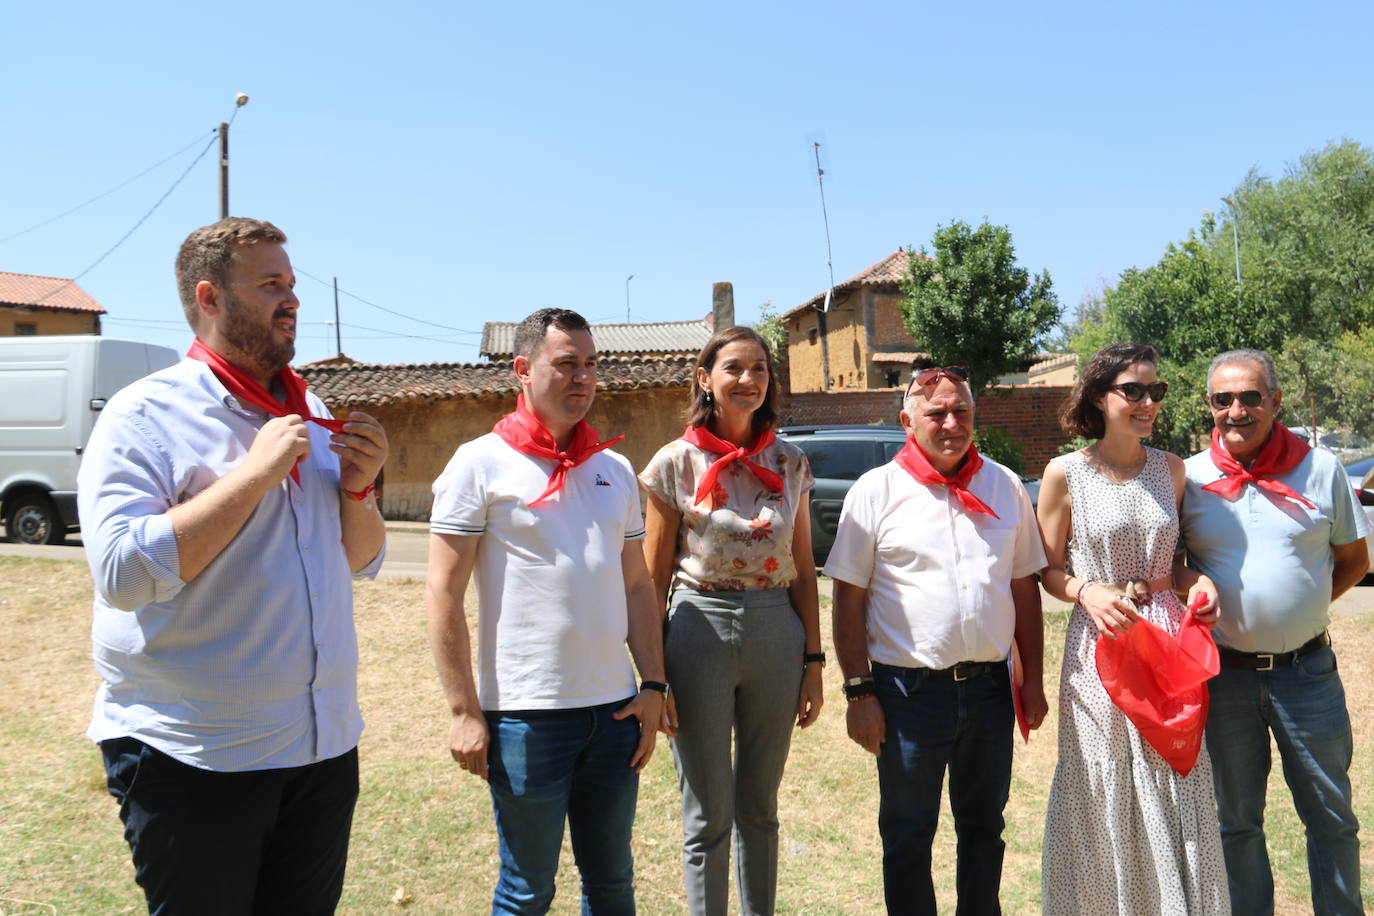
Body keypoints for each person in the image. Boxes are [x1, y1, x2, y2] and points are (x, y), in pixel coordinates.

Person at [78, 217, 389, 914]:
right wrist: (250, 478)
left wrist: (362, 492)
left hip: (319, 749)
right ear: (211, 298)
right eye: (271, 284)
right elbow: (123, 576)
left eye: (293, 284)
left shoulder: (312, 408)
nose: (293, 300)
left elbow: (359, 562)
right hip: (195, 756)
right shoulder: (142, 415)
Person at [426, 307, 666, 915]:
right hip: (527, 718)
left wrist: (655, 686)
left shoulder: (612, 469)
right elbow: (443, 593)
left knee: (612, 884)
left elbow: (637, 586)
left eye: (590, 365)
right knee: (526, 889)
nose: (582, 377)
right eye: (565, 364)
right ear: (522, 370)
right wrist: (463, 710)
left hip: (614, 713)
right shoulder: (478, 463)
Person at [826, 366, 1047, 916]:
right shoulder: (875, 492)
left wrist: (1034, 682)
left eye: (962, 412)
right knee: (906, 833)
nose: (952, 423)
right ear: (907, 421)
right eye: (936, 413)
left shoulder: (1005, 485)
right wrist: (859, 693)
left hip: (990, 691)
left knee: (984, 827)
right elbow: (847, 599)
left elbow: (1024, 590)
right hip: (906, 696)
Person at [1037, 342, 1228, 914]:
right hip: (1100, 646)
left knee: (1175, 773)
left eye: (1157, 391)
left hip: (1167, 642)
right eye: (1134, 391)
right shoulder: (1063, 473)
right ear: (1098, 396)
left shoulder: (1171, 468)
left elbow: (1170, 562)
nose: (1148, 402)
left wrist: (1198, 581)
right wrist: (1085, 590)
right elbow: (1045, 571)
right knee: (1106, 779)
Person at [639, 325, 824, 916]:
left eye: (760, 370)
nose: (749, 380)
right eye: (734, 369)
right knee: (707, 812)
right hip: (698, 630)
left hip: (776, 634)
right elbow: (652, 578)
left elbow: (801, 569)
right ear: (705, 379)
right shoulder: (675, 462)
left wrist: (815, 662)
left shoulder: (790, 461)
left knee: (760, 809)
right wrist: (653, 674)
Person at [1179, 348, 1370, 915]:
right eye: (1223, 399)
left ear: (1276, 401)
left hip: (1306, 674)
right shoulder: (1188, 477)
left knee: (1331, 819)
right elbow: (1170, 564)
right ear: (1210, 405)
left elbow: (1354, 560)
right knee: (1234, 823)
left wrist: (1304, 608)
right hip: (1224, 679)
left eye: (1250, 397)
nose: (1236, 411)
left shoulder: (1321, 469)